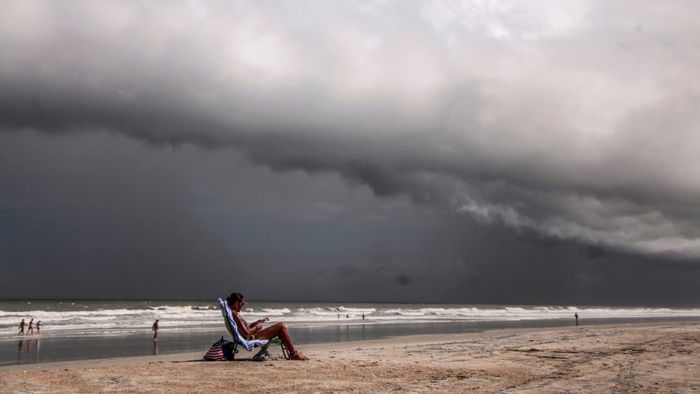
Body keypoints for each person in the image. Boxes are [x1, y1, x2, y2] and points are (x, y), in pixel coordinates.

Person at [226, 292, 309, 361]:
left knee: (281, 329)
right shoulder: (234, 314)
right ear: (237, 303)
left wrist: (254, 324)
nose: (242, 305)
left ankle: (293, 353)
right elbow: (247, 333)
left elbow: (244, 329)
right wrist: (257, 327)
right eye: (242, 303)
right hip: (252, 338)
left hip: (249, 337)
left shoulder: (232, 314)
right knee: (282, 326)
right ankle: (294, 354)